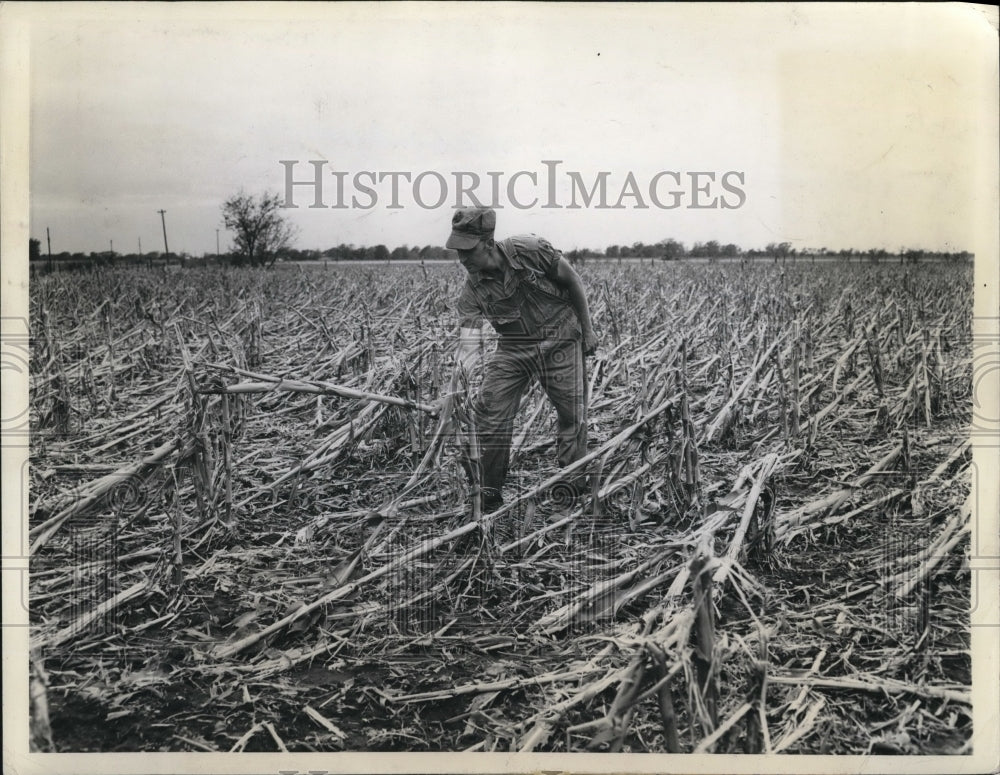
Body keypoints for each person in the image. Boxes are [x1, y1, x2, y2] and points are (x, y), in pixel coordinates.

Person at [446, 207, 598, 513]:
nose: (462, 259)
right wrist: (453, 390)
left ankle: (574, 488)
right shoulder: (472, 290)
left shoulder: (530, 250)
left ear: (488, 243)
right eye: (457, 250)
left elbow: (573, 282)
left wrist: (588, 329)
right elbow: (469, 345)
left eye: (467, 250)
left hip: (561, 340)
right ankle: (488, 496)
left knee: (572, 416)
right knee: (490, 416)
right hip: (514, 348)